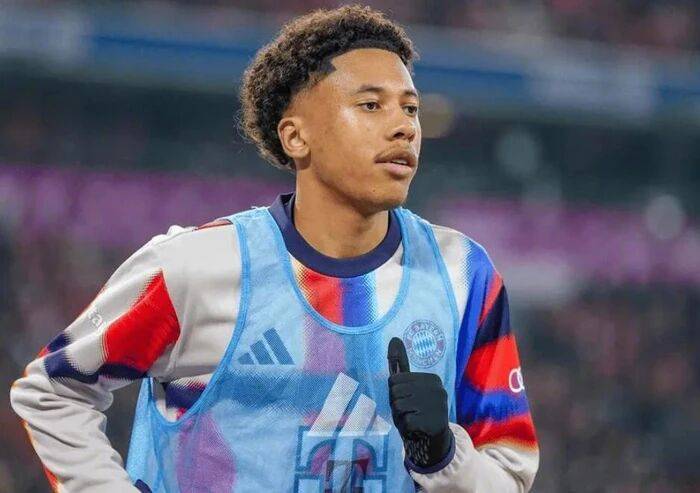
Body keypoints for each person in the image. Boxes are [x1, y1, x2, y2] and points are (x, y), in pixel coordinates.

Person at [10, 5, 539, 492]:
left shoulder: (463, 275)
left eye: (411, 108)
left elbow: (509, 477)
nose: (404, 127)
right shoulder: (196, 267)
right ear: (296, 137)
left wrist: (443, 456)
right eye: (371, 105)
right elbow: (53, 391)